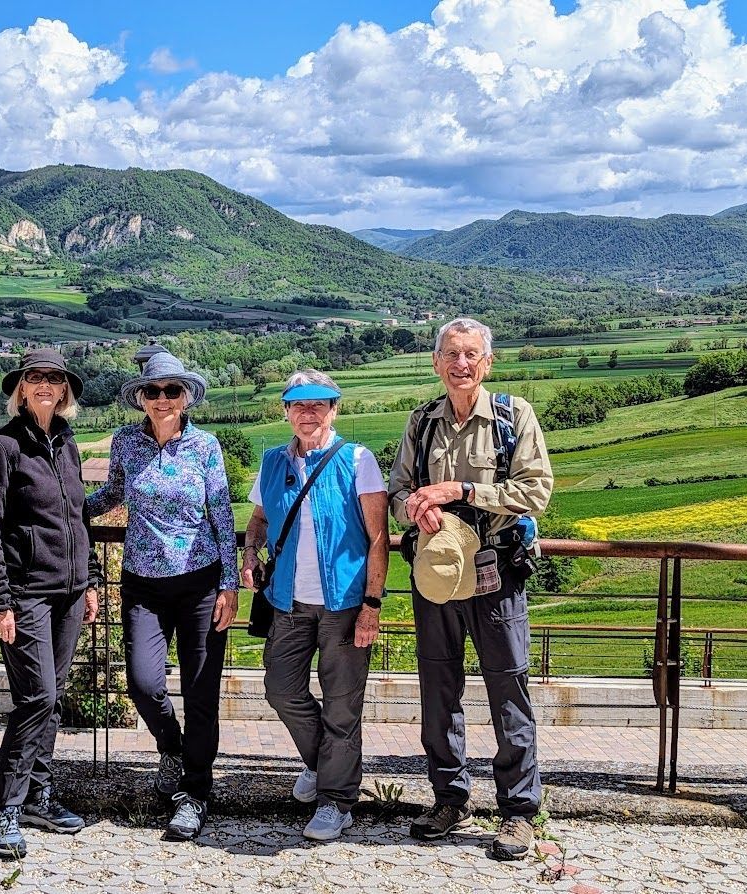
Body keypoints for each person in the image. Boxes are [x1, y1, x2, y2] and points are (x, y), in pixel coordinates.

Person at [387, 316, 554, 861]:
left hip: (497, 574)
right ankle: (449, 797)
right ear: (437, 363)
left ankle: (519, 812)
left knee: (509, 690)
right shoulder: (421, 423)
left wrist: (462, 490)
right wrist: (413, 508)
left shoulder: (513, 416)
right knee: (439, 690)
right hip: (436, 577)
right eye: (451, 355)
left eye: (471, 355)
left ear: (488, 362)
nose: (461, 365)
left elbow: (536, 491)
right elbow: (396, 494)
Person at [86, 350, 239, 841]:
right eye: (152, 391)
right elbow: (112, 493)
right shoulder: (126, 441)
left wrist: (229, 585)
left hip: (200, 583)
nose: (162, 399)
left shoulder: (205, 446)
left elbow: (222, 515)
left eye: (172, 391)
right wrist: (63, 507)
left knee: (200, 693)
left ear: (187, 396)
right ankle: (172, 748)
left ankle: (194, 792)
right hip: (143, 586)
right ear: (141, 399)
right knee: (144, 684)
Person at [240, 370, 387, 842]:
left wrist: (372, 604)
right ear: (285, 411)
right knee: (281, 689)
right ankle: (324, 765)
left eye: (318, 405)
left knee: (342, 705)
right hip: (287, 601)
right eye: (298, 405)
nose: (308, 413)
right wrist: (249, 553)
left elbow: (378, 538)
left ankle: (336, 801)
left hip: (344, 602)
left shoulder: (357, 460)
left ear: (334, 410)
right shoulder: (271, 462)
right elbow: (260, 518)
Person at [0, 348, 102, 858]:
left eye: (54, 378)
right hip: (25, 594)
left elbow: (79, 517)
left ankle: (38, 797)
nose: (45, 385)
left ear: (64, 389)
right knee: (37, 697)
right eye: (35, 378)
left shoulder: (66, 442)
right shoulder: (1, 448)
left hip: (69, 592)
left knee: (54, 695)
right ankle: (5, 806)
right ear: (21, 388)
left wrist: (90, 580)